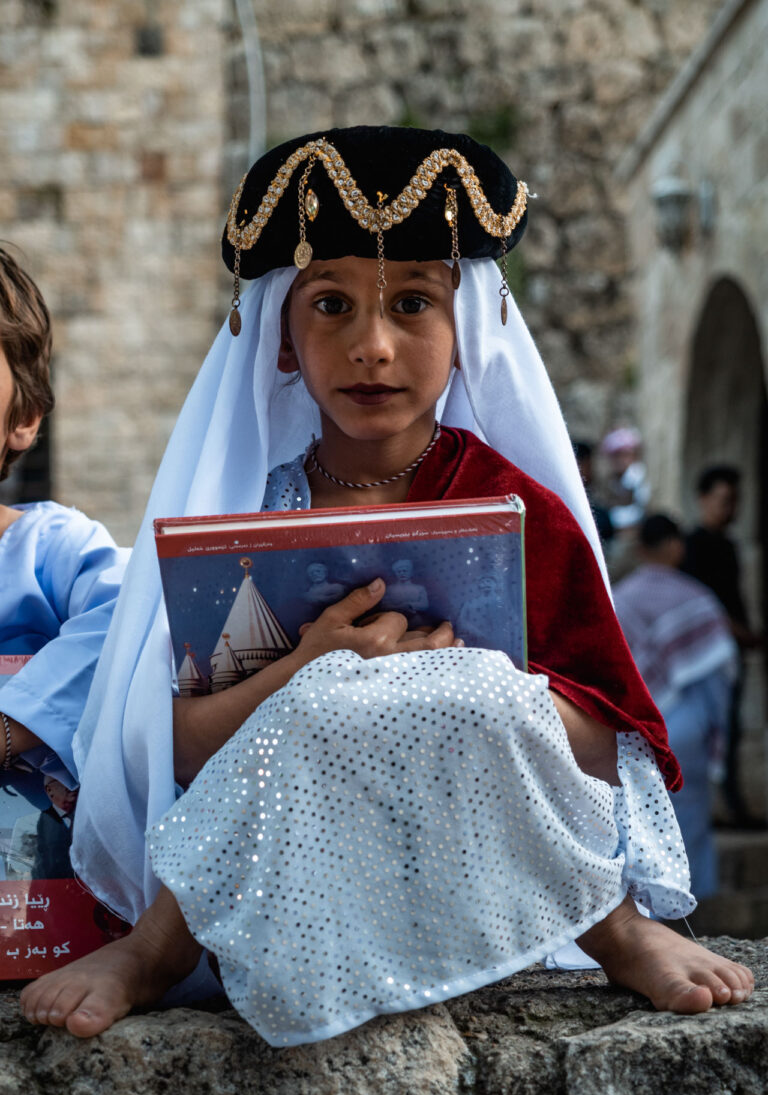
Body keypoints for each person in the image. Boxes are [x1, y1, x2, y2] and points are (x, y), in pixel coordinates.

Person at [20, 127, 753, 1042]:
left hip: (482, 872)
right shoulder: (252, 524)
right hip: (301, 878)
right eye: (330, 305)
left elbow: (608, 743)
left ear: (468, 330)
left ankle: (614, 926)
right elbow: (172, 753)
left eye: (413, 302)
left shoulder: (518, 511)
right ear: (282, 338)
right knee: (326, 696)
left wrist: (459, 687)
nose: (372, 344)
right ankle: (161, 945)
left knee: (462, 690)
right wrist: (309, 667)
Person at [0, 246, 127, 841]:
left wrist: (12, 723)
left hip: (36, 886)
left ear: (22, 417)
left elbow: (129, 622)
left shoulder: (54, 549)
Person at [614, 514, 737, 899]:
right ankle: (693, 913)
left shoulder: (619, 598)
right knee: (691, 821)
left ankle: (644, 911)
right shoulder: (697, 598)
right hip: (687, 729)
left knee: (636, 822)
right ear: (676, 546)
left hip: (636, 732)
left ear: (640, 550)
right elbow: (718, 678)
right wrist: (720, 736)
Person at [682, 465, 763, 826]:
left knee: (727, 731)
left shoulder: (727, 546)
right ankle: (716, 807)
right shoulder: (694, 546)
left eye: (734, 501)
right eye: (723, 500)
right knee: (708, 732)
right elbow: (702, 607)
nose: (730, 509)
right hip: (705, 659)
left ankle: (730, 806)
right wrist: (739, 631)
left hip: (730, 654)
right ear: (703, 500)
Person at [32, 776, 78, 880]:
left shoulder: (88, 812)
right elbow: (44, 860)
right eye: (65, 783)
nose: (72, 787)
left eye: (74, 782)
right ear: (49, 790)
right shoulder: (47, 820)